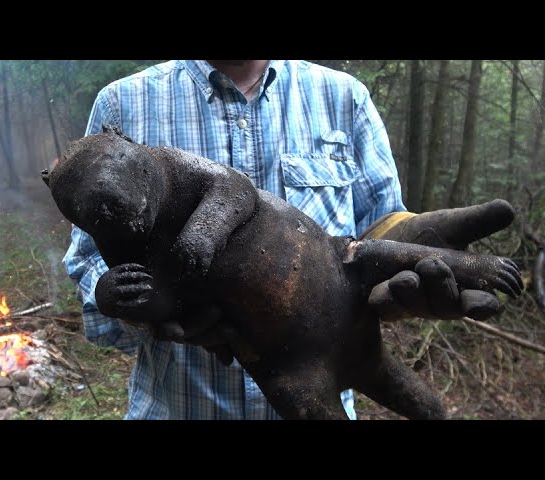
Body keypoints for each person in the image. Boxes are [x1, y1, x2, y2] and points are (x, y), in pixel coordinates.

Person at [63, 60, 507, 420]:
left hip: (331, 336)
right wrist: (143, 309)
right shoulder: (122, 105)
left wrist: (414, 250)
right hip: (200, 397)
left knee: (423, 403)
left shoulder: (343, 97)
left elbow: (378, 229)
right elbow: (91, 267)